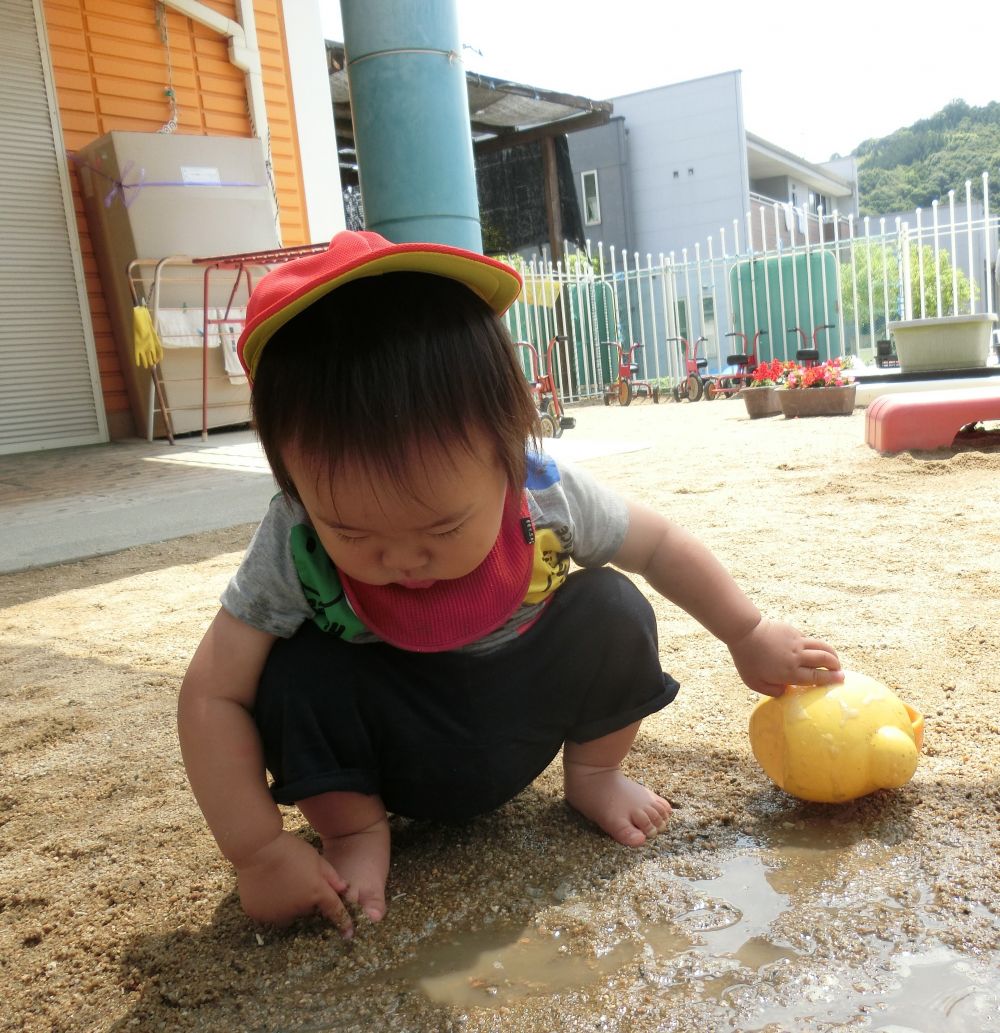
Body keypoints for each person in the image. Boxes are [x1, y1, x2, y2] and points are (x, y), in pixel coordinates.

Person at [177, 230, 842, 939]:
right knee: (293, 672)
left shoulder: (545, 494)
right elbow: (212, 691)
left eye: (439, 528)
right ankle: (356, 833)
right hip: (388, 747)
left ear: (508, 452)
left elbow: (658, 543)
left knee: (613, 605)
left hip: (518, 713)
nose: (401, 559)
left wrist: (748, 631)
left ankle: (594, 776)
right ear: (292, 483)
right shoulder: (295, 537)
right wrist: (256, 850)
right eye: (354, 534)